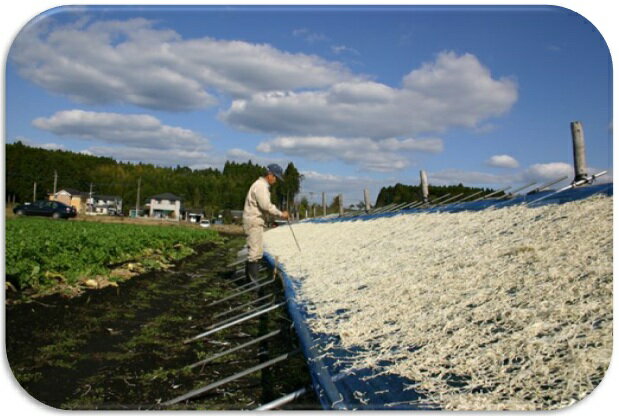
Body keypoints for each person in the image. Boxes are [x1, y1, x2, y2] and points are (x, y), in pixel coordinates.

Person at [243, 164, 289, 281]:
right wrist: (281, 214)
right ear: (270, 175)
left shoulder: (261, 185)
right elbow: (266, 206)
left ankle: (251, 282)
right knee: (254, 254)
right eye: (276, 178)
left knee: (257, 252)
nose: (276, 180)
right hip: (254, 221)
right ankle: (252, 284)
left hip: (255, 221)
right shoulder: (261, 186)